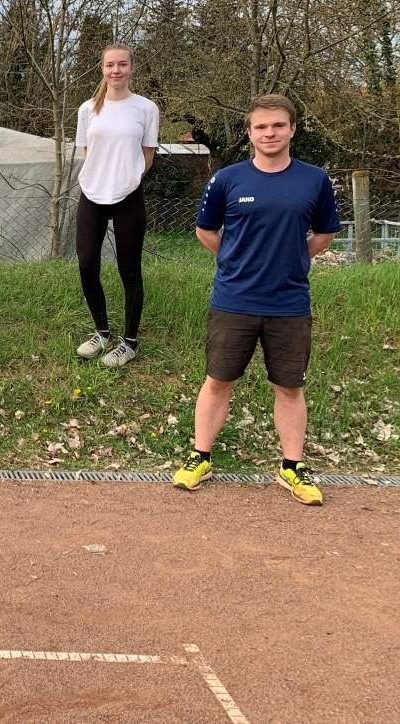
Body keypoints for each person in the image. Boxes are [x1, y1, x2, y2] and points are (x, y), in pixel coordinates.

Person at [173, 94, 340, 505]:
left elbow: (325, 233)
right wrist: (233, 262)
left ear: (292, 129)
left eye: (278, 125)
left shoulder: (315, 179)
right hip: (234, 301)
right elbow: (205, 231)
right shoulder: (227, 179)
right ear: (249, 133)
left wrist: (296, 260)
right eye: (261, 126)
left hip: (289, 304)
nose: (270, 133)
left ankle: (292, 467)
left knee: (289, 387)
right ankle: (200, 457)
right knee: (218, 381)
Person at [73, 43, 159, 367]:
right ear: (102, 69)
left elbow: (147, 156)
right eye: (110, 65)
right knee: (86, 264)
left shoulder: (146, 108)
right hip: (92, 193)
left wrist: (126, 181)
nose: (116, 70)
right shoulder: (87, 109)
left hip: (128, 195)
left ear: (131, 68)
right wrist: (103, 179)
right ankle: (103, 333)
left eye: (122, 64)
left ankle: (130, 342)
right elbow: (89, 154)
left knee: (129, 269)